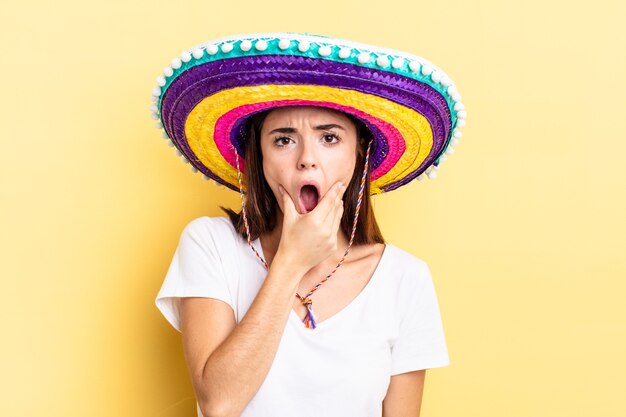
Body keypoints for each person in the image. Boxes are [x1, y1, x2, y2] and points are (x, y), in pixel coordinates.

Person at [151, 33, 466, 417]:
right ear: (259, 157)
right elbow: (219, 403)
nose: (307, 160)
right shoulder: (210, 245)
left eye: (329, 138)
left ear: (358, 155)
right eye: (283, 140)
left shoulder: (405, 278)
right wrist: (291, 262)